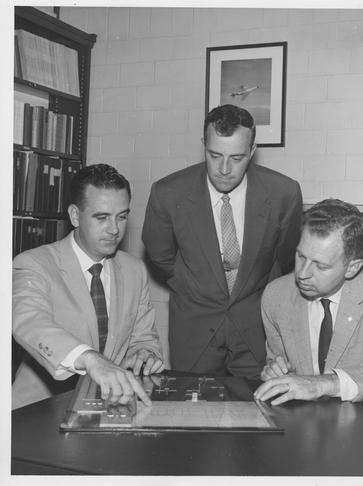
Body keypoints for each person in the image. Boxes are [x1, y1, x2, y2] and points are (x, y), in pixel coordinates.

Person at [142, 104, 303, 377]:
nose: (224, 169)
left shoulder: (284, 193)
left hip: (256, 330)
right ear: (203, 145)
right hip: (194, 331)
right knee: (192, 413)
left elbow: (284, 256)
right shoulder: (168, 193)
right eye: (214, 155)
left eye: (237, 157)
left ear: (252, 151)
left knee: (261, 411)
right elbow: (160, 255)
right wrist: (198, 283)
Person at [12, 164, 164, 409]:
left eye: (122, 216)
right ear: (75, 216)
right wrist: (90, 359)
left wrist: (144, 354)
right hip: (37, 412)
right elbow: (29, 320)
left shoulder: (135, 270)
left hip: (108, 408)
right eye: (102, 217)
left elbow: (144, 337)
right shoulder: (33, 263)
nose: (114, 229)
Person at [254, 199, 363, 405]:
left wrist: (323, 384)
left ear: (352, 268)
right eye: (300, 256)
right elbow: (280, 364)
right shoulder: (276, 296)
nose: (302, 273)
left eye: (321, 266)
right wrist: (276, 371)